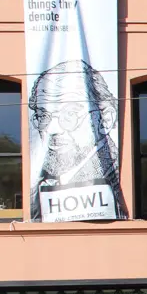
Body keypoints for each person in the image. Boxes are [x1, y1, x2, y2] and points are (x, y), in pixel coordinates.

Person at [28, 60, 125, 221]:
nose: (52, 129)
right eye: (43, 116)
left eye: (70, 114)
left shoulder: (111, 179)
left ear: (105, 119)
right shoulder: (39, 184)